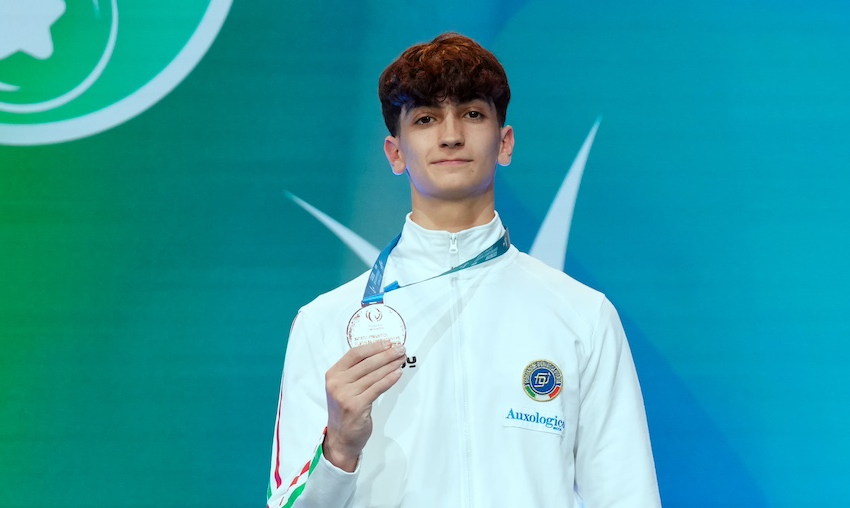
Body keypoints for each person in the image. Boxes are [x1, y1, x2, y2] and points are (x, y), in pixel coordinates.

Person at [267, 33, 661, 508]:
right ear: (395, 153)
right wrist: (339, 449)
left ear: (505, 142)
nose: (451, 135)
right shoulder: (325, 322)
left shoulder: (584, 315)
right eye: (426, 118)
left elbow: (627, 496)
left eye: (472, 114)